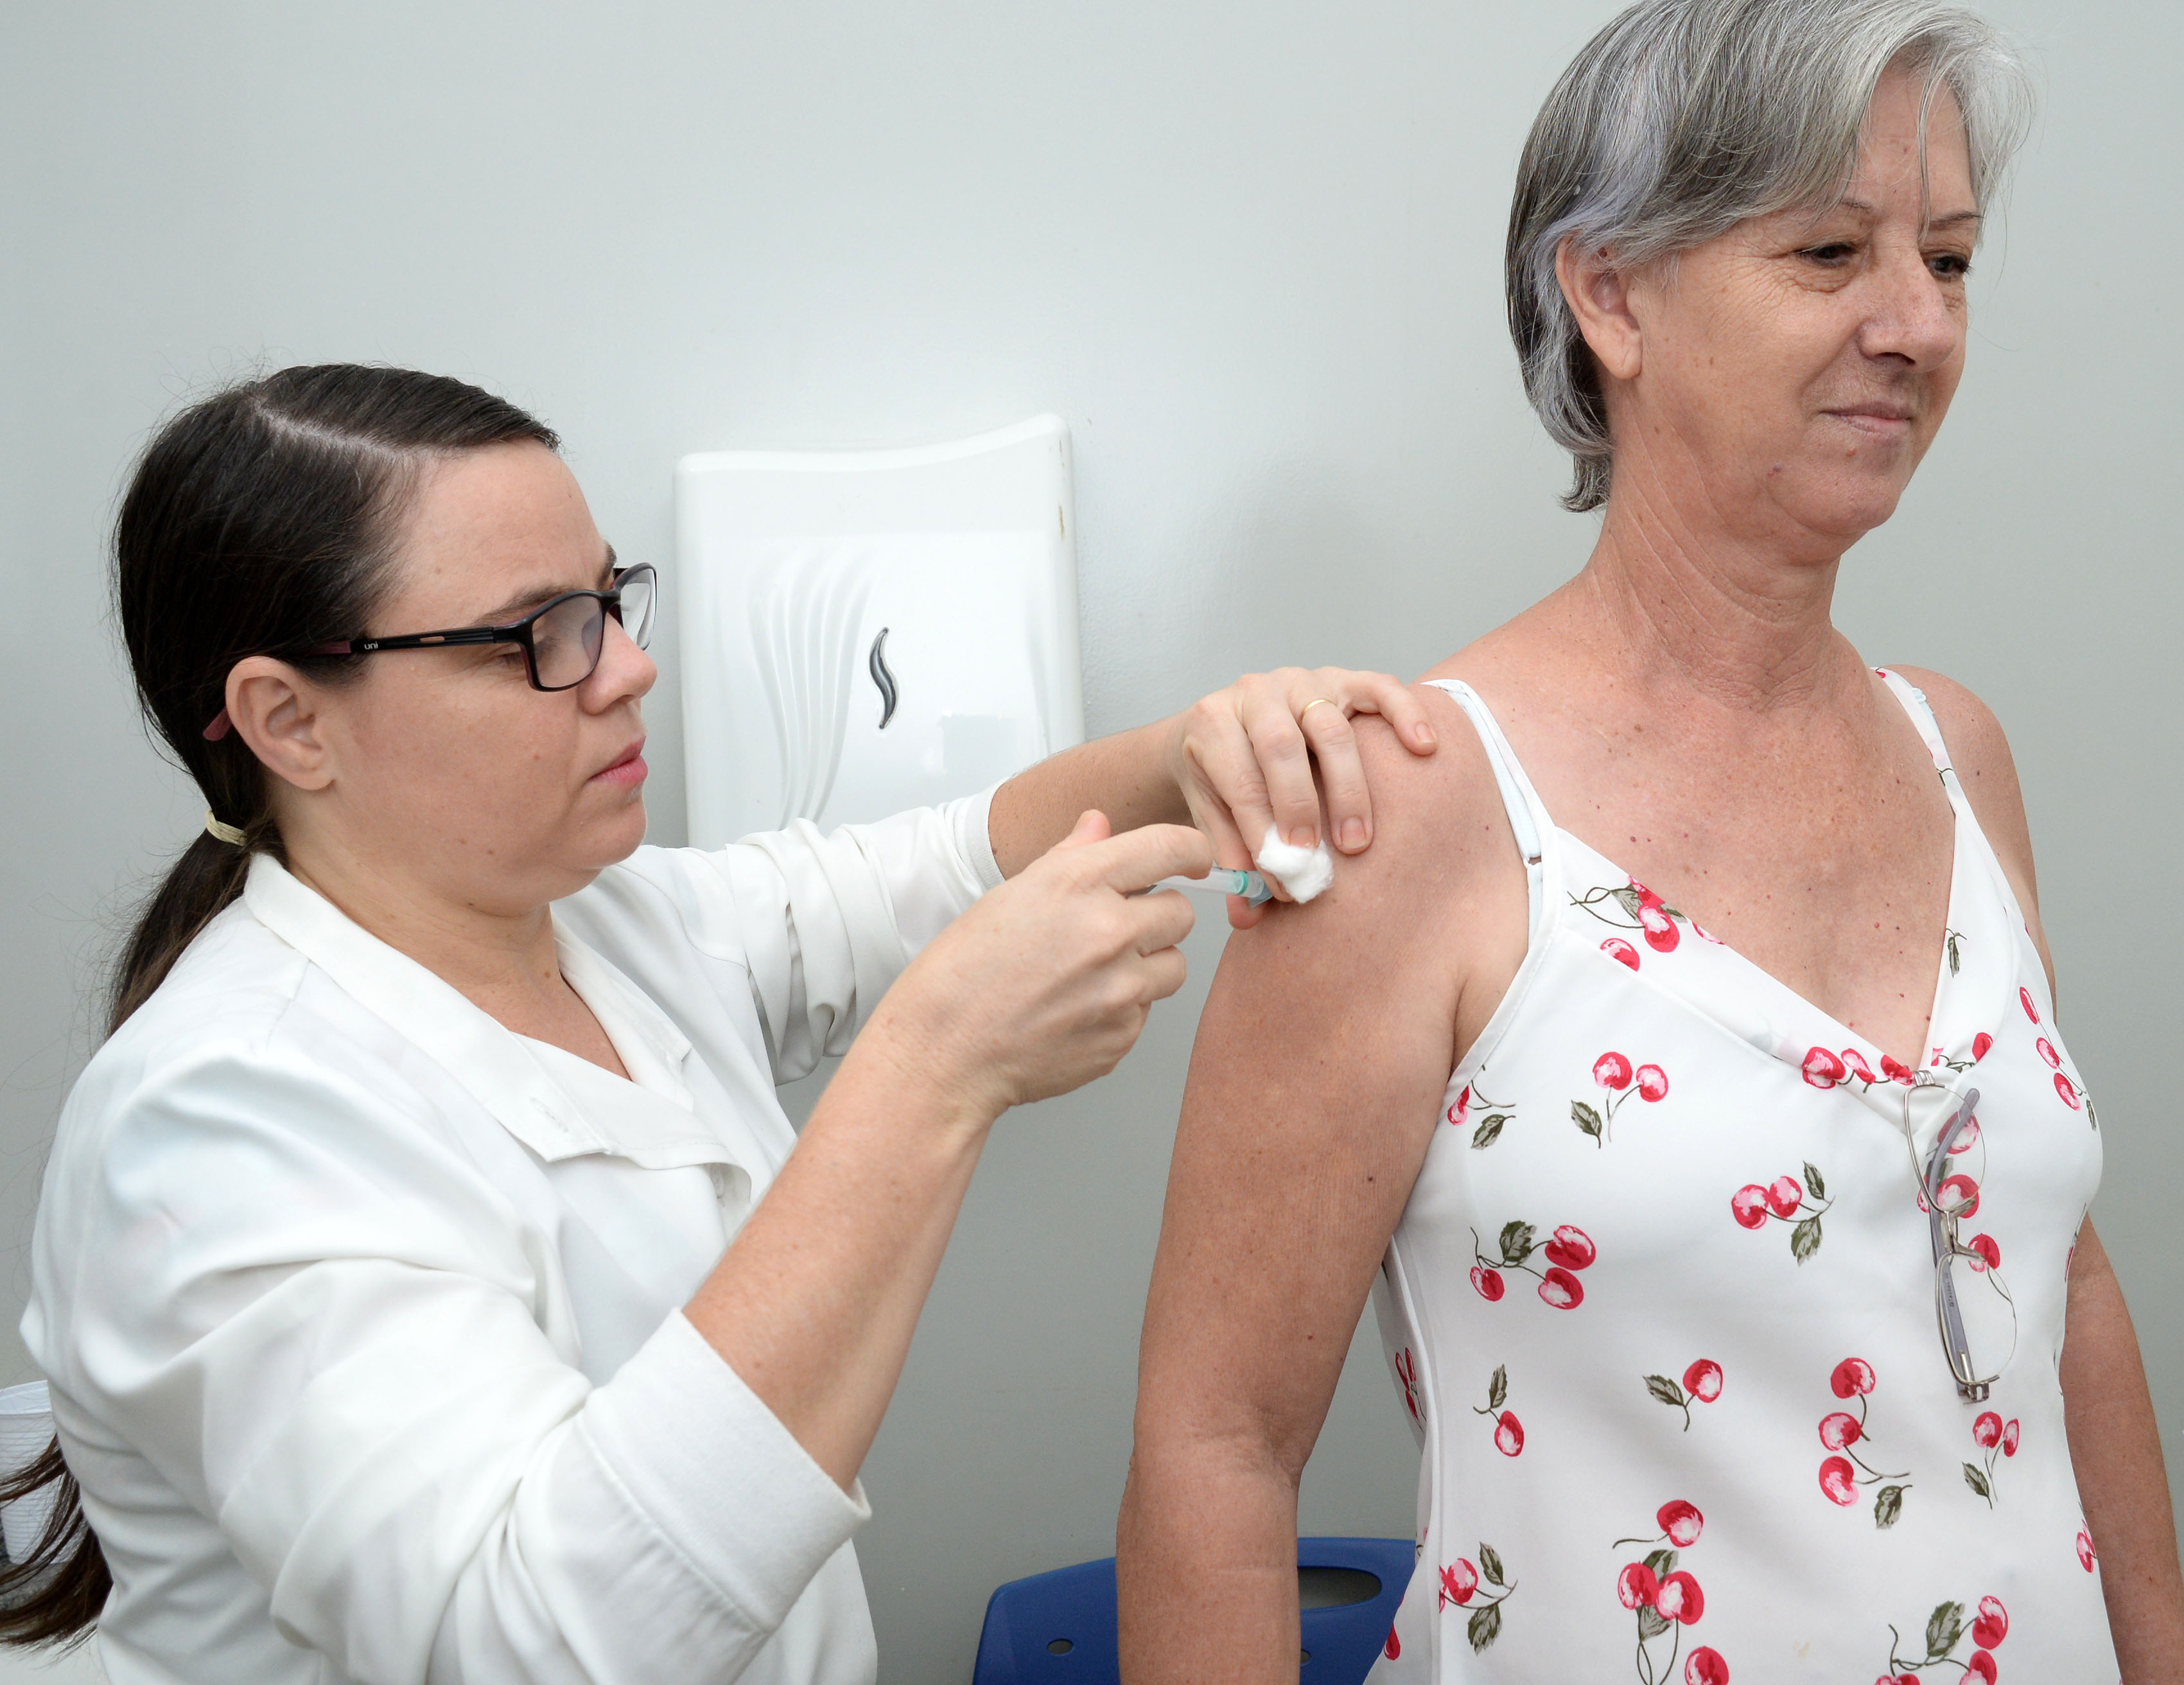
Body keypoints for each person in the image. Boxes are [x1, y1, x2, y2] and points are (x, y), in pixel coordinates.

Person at [4, 363, 1438, 1684]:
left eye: (606, 600)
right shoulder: (211, 1125)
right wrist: (937, 1069)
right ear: (288, 721)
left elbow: (938, 861)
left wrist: (1187, 753)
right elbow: (531, 1644)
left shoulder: (611, 921)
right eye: (537, 638)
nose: (626, 667)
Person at [1117, 3, 2184, 1681]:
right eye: (1831, 251)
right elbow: (1217, 1452)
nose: (1918, 325)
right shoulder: (1411, 812)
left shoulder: (1956, 754)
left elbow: (2064, 1292)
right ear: (1612, 293)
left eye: (1951, 260)